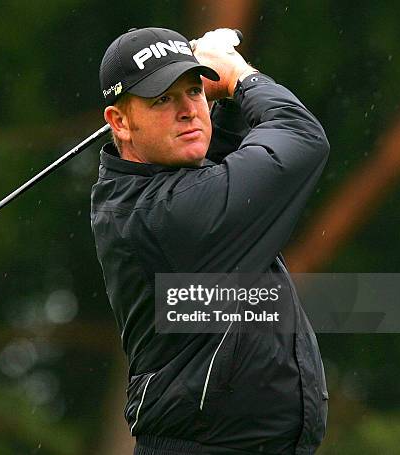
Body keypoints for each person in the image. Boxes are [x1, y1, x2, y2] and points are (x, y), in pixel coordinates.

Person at [90, 27, 330, 454]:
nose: (187, 110)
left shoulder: (151, 186)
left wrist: (222, 94)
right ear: (120, 121)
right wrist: (239, 77)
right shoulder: (166, 215)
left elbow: (220, 154)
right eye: (162, 99)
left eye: (194, 92)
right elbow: (300, 139)